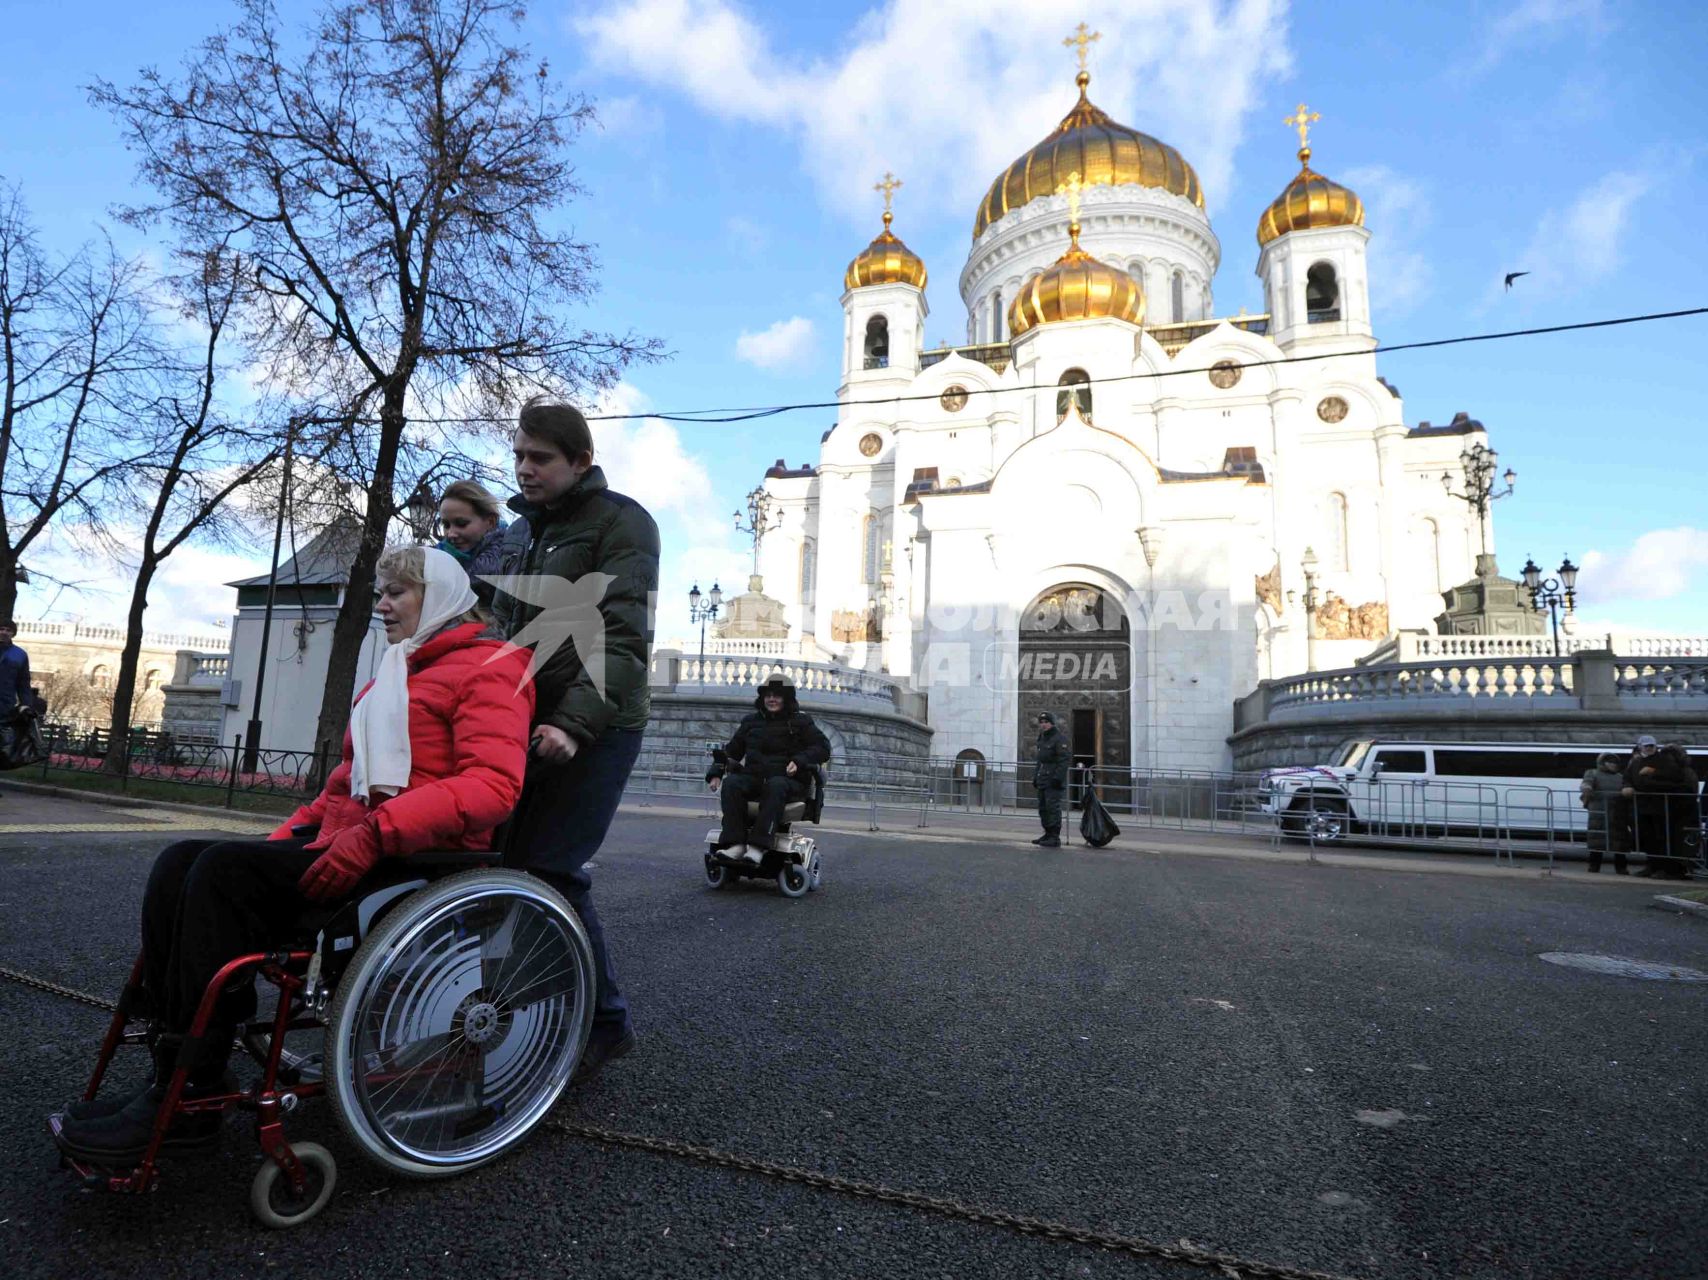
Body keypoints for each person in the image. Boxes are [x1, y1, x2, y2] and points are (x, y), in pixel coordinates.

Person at [49, 546, 534, 1163]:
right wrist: (280, 843)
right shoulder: (398, 667)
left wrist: (375, 833)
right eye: (380, 592)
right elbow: (345, 782)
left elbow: (492, 787)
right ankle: (177, 1069)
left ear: (435, 599)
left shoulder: (491, 667)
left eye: (396, 594)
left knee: (221, 876)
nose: (380, 605)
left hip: (412, 862)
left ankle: (192, 1082)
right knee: (182, 861)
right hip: (355, 843)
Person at [492, 394, 658, 1084]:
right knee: (502, 862)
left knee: (554, 868)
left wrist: (573, 721)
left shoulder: (621, 522)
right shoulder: (525, 531)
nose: (524, 470)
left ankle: (604, 1024)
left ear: (580, 460)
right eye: (519, 456)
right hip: (529, 717)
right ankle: (520, 1008)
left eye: (540, 458)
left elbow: (620, 632)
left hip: (598, 722)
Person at [707, 674, 831, 861]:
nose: (771, 699)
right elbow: (731, 751)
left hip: (789, 782)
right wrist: (716, 772)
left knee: (775, 785)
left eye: (777, 695)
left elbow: (823, 747)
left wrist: (799, 760)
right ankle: (736, 844)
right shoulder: (750, 722)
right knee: (732, 783)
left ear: (787, 699)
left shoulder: (801, 722)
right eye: (768, 695)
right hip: (755, 778)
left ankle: (758, 847)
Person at [1624, 735, 1696, 880]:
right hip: (1644, 807)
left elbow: (1676, 780)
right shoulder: (1636, 763)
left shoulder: (1665, 762)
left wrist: (1652, 776)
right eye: (1646, 746)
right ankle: (1653, 866)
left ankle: (1667, 868)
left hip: (1663, 809)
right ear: (1640, 747)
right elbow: (1627, 778)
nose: (1649, 748)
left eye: (1651, 746)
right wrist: (1627, 787)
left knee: (1664, 840)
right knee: (1648, 839)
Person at [436, 479, 511, 606]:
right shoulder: (431, 564)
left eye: (461, 524)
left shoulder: (512, 565)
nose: (451, 534)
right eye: (446, 525)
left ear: (491, 522)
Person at [1579, 752, 1630, 874]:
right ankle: (1594, 866)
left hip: (1617, 812)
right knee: (1597, 839)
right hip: (1598, 812)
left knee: (1619, 841)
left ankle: (1621, 867)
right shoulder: (1592, 773)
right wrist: (1586, 789)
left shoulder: (1620, 776)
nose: (1612, 764)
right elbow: (1586, 783)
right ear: (1602, 762)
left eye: (1614, 762)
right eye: (1609, 762)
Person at [1032, 711, 1071, 848]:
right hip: (1043, 777)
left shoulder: (1059, 739)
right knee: (1043, 808)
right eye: (1041, 722)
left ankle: (1054, 837)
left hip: (1053, 779)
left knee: (1052, 808)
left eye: (1046, 722)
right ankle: (1047, 833)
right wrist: (1036, 776)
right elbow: (1040, 760)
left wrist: (1057, 779)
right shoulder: (1042, 738)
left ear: (1052, 723)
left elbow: (1064, 761)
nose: (1043, 725)